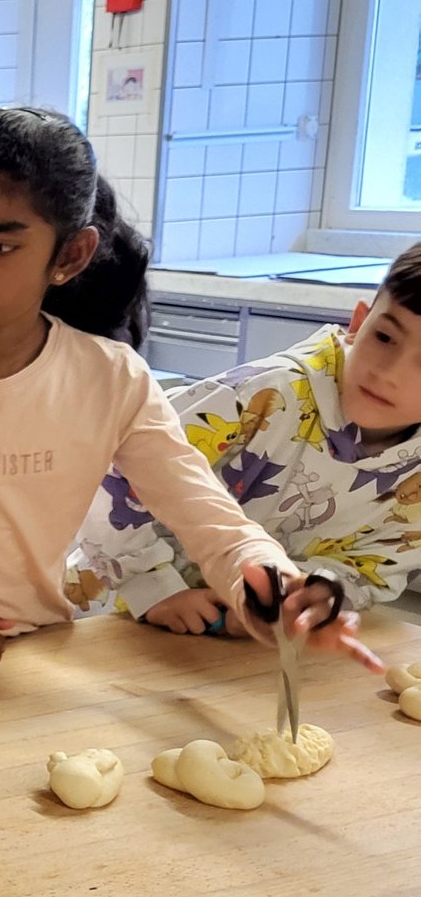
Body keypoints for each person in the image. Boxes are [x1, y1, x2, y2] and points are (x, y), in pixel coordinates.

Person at [0, 106, 379, 684]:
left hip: (34, 661)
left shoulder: (110, 381)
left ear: (70, 256)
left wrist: (274, 585)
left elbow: (210, 521)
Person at [72, 242, 421, 631]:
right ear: (360, 322)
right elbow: (115, 472)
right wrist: (153, 587)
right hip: (111, 615)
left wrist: (308, 596)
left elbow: (376, 564)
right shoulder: (265, 395)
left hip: (239, 647)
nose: (389, 373)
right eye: (385, 338)